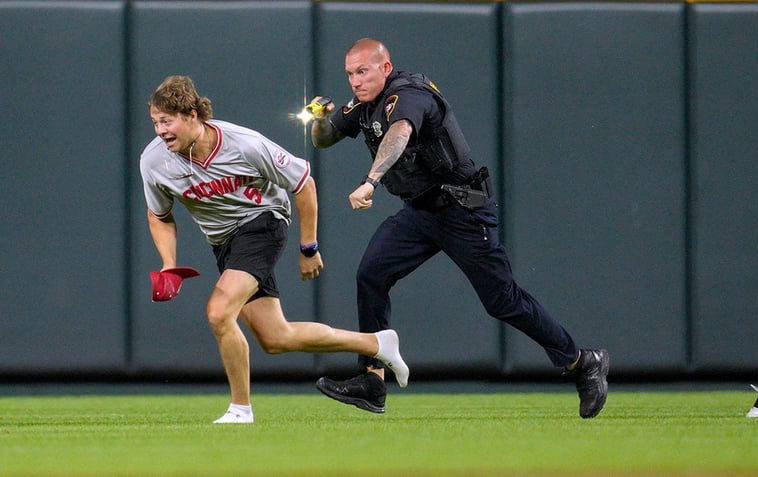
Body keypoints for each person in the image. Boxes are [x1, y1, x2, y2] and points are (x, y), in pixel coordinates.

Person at [309, 38, 609, 418]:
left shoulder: (410, 94)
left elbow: (399, 132)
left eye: (363, 71)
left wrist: (371, 180)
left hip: (463, 208)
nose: (355, 81)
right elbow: (325, 139)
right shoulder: (365, 104)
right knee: (371, 274)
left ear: (385, 68)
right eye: (350, 73)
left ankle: (582, 362)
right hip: (419, 212)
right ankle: (372, 378)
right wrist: (319, 118)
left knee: (502, 301)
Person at [140, 75, 409, 424]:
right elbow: (159, 215)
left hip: (262, 224)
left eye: (167, 120)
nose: (160, 130)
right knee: (275, 337)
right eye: (156, 122)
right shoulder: (154, 161)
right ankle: (377, 344)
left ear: (193, 115)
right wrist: (168, 264)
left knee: (219, 312)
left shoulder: (244, 144)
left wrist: (308, 247)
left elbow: (304, 184)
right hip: (224, 243)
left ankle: (240, 409)